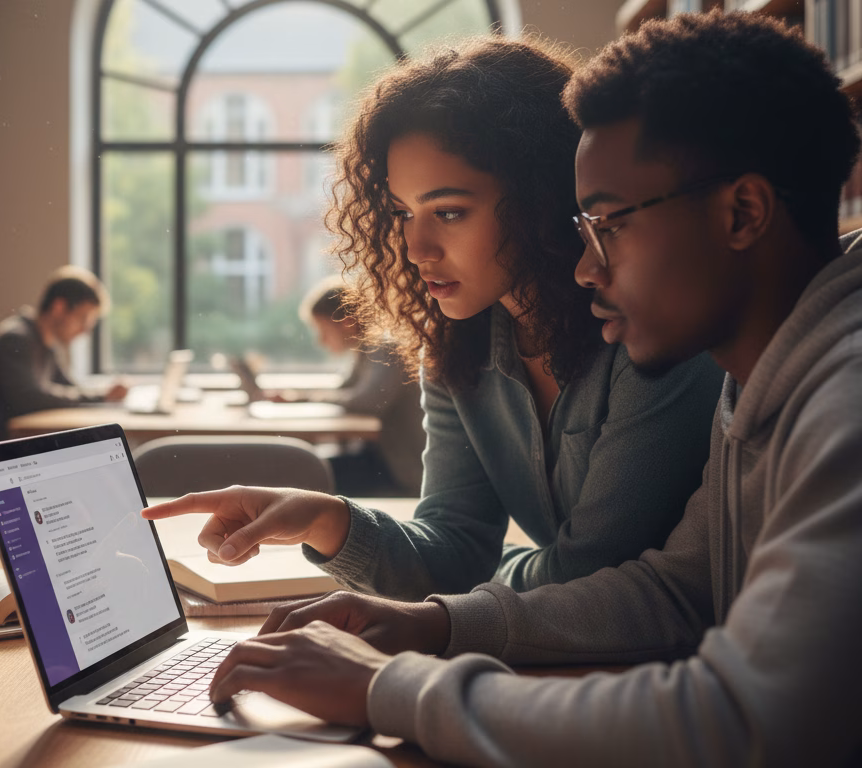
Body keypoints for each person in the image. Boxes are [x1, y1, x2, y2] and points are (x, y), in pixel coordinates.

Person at [180, 11, 862, 766]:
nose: (585, 266)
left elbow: (741, 721)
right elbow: (675, 593)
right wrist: (435, 620)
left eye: (609, 224)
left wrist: (393, 686)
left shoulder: (841, 395)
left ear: (743, 212)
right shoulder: (760, 380)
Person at [144, 37, 723, 600]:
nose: (416, 246)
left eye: (448, 211)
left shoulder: (651, 339)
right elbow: (453, 547)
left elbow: (591, 575)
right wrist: (327, 520)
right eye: (401, 212)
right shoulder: (455, 348)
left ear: (539, 200)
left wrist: (491, 574)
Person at [0, 266, 128, 495]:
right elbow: (30, 398)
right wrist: (101, 397)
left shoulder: (46, 345)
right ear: (59, 307)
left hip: (10, 461)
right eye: (83, 318)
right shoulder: (15, 339)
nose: (85, 330)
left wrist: (104, 396)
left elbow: (69, 388)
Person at [281, 276, 425, 496]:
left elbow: (367, 401)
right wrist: (297, 397)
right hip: (383, 457)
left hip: (401, 468)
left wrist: (314, 398)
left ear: (346, 322)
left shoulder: (385, 348)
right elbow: (343, 390)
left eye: (323, 330)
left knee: (304, 472)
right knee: (305, 466)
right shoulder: (366, 349)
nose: (320, 341)